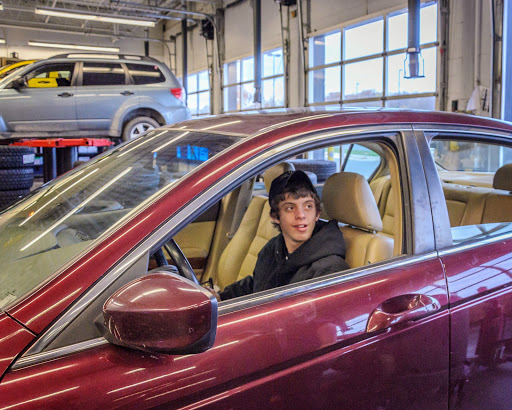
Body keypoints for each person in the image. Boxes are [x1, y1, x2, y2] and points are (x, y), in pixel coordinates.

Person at [215, 170, 349, 301]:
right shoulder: (273, 248)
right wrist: (222, 297)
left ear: (317, 214)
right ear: (275, 216)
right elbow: (257, 285)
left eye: (308, 206)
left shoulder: (328, 270)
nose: (301, 215)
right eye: (290, 208)